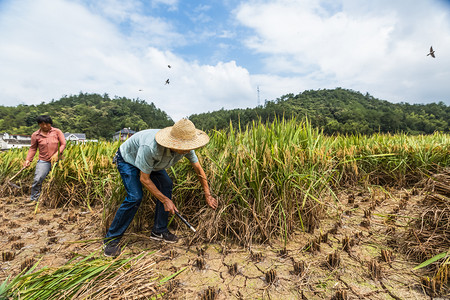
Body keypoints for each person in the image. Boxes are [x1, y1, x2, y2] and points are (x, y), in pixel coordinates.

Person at [103, 119, 218, 257]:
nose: (187, 150)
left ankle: (159, 231)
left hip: (153, 164)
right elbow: (144, 179)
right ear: (174, 143)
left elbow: (198, 169)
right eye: (183, 147)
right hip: (129, 160)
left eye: (188, 146)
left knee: (166, 184)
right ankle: (111, 239)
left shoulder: (186, 147)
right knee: (135, 196)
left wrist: (207, 194)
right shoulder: (152, 148)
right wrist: (165, 200)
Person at [23, 115, 66, 202]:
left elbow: (63, 144)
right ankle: (34, 199)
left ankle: (59, 199)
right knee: (38, 178)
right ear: (39, 125)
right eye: (42, 124)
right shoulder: (35, 135)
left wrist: (56, 154)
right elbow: (33, 148)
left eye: (47, 124)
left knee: (60, 179)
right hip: (44, 161)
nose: (45, 126)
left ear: (50, 123)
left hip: (59, 160)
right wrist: (28, 160)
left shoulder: (57, 132)